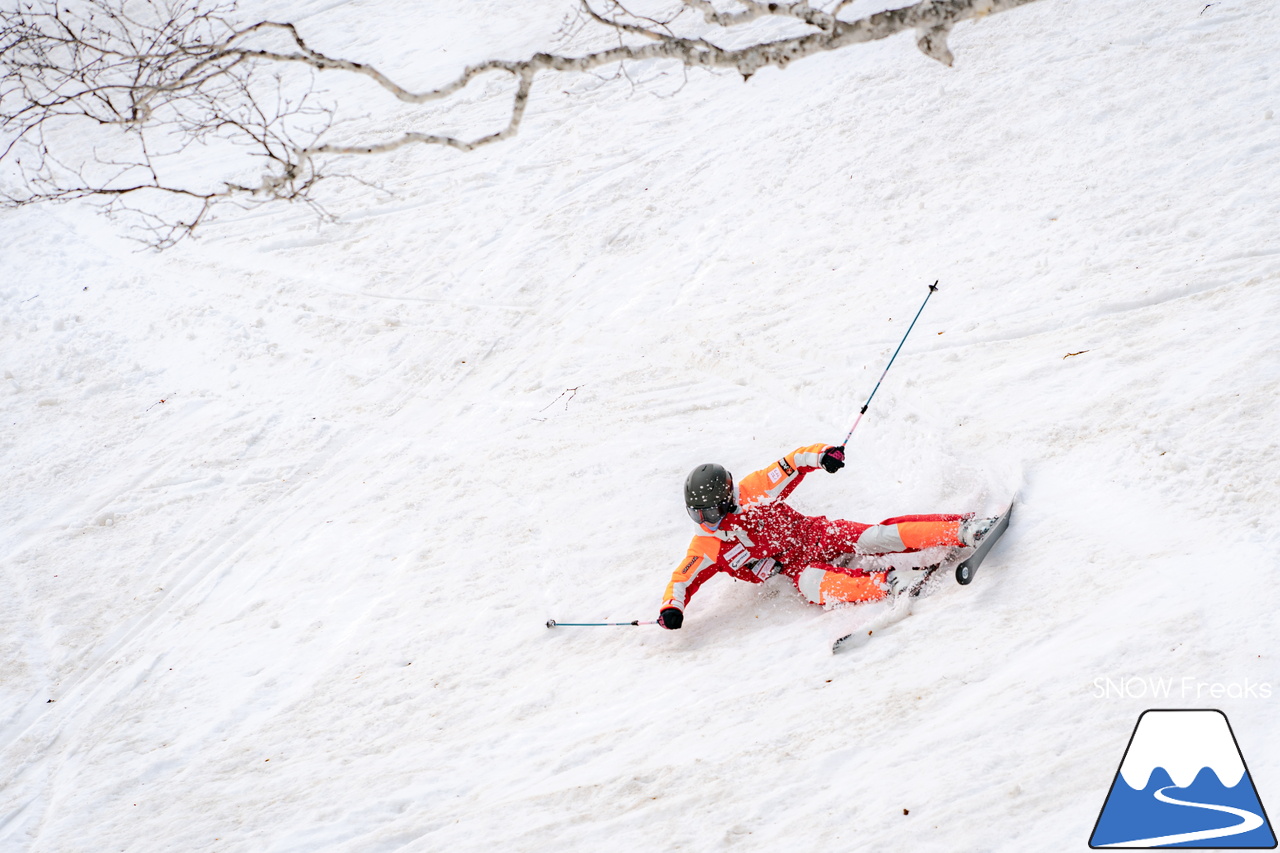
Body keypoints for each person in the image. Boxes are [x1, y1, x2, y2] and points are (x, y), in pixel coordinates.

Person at [658, 443, 997, 630]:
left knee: (874, 537)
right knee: (812, 588)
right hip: (795, 565)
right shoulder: (706, 544)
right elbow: (681, 582)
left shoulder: (754, 491)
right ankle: (891, 583)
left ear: (729, 499)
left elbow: (792, 462)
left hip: (816, 534)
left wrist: (823, 456)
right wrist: (671, 608)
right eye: (697, 514)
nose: (706, 522)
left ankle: (964, 530)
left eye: (711, 513)